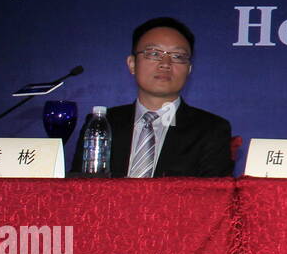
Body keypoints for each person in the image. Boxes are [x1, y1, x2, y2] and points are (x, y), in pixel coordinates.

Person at [75, 16, 233, 177]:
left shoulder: (211, 129)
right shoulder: (102, 123)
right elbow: (79, 189)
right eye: (154, 53)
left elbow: (213, 198)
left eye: (178, 56)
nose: (165, 63)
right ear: (132, 64)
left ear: (189, 70)